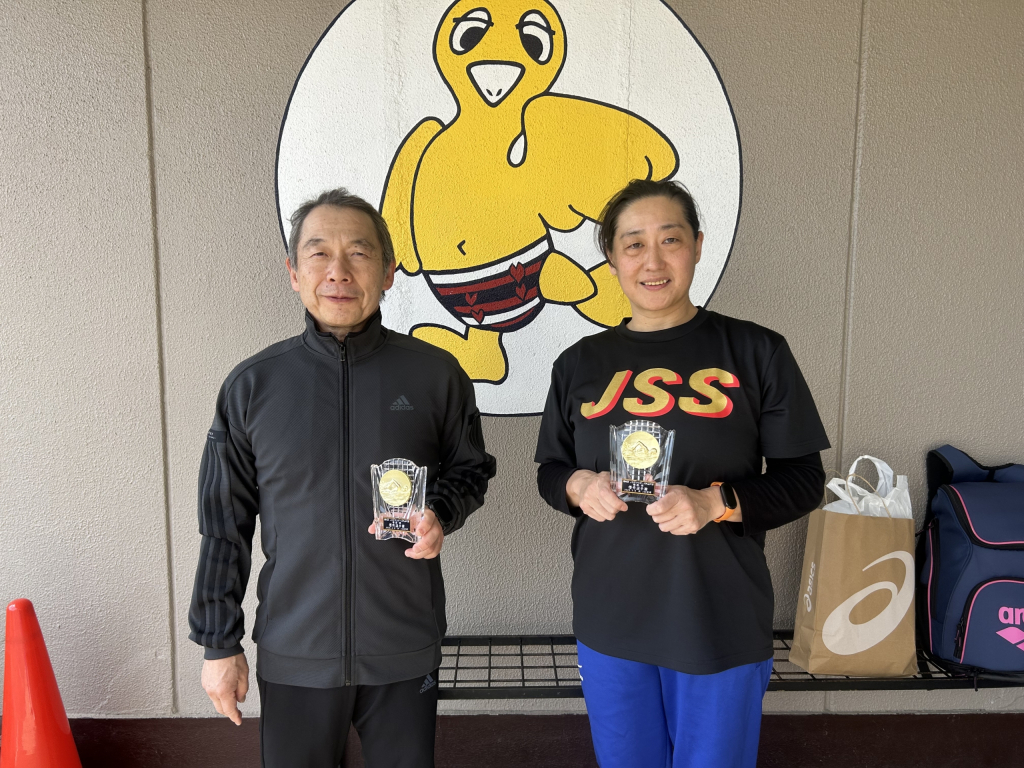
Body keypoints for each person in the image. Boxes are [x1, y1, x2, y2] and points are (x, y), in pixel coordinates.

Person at [188, 188, 496, 767]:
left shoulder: (435, 375)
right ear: (293, 272)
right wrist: (218, 643)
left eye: (358, 252)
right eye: (318, 254)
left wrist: (441, 512)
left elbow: (471, 468)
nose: (338, 272)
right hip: (295, 650)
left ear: (388, 271)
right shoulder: (253, 386)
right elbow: (223, 526)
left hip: (403, 646)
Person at [534, 179, 829, 768]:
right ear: (612, 257)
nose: (652, 260)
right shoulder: (579, 364)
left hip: (717, 615)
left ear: (696, 245)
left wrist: (715, 502)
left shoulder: (757, 351)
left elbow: (804, 479)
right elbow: (551, 470)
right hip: (611, 615)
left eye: (669, 240)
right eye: (633, 244)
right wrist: (578, 486)